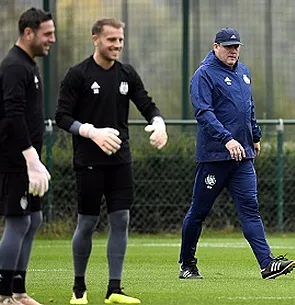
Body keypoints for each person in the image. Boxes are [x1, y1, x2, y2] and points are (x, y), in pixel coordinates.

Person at [55, 18, 168, 305]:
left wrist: (158, 122)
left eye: (120, 40)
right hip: (89, 163)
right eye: (111, 40)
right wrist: (91, 132)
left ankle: (114, 289)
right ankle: (79, 289)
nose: (117, 45)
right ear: (96, 39)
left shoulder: (126, 74)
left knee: (121, 220)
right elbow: (62, 117)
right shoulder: (78, 74)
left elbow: (147, 103)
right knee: (87, 223)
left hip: (121, 161)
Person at [178, 27, 295, 281]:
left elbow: (248, 106)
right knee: (198, 212)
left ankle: (267, 264)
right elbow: (203, 113)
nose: (233, 51)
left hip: (242, 158)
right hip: (215, 158)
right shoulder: (204, 74)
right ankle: (187, 264)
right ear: (215, 47)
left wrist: (255, 135)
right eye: (228, 46)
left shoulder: (243, 72)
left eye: (236, 46)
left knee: (251, 210)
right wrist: (227, 139)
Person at [0, 7, 55, 305]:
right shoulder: (15, 66)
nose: (52, 39)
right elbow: (13, 114)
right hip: (13, 160)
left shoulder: (29, 65)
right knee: (17, 222)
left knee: (34, 219)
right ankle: (2, 297)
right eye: (47, 34)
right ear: (28, 32)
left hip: (27, 160)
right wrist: (30, 158)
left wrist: (35, 159)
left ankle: (18, 292)